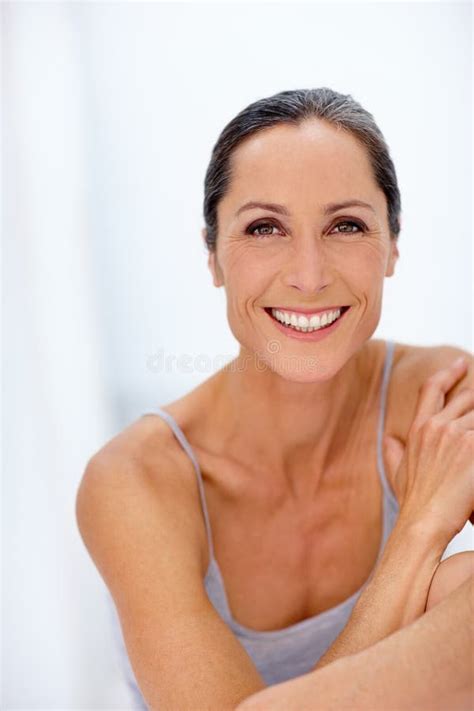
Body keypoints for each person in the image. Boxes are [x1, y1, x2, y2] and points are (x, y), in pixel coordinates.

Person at [76, 88, 473, 710]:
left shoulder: (440, 398)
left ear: (393, 245)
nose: (309, 275)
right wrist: (419, 530)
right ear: (213, 256)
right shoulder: (135, 481)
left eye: (346, 225)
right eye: (265, 228)